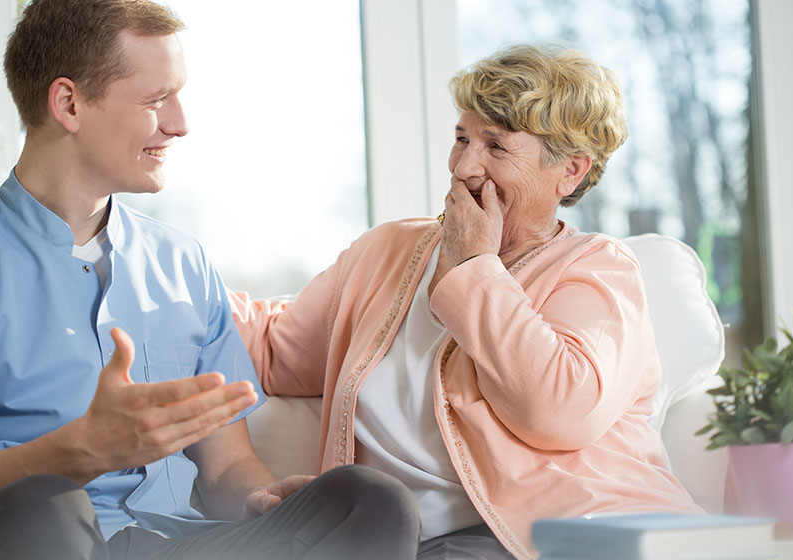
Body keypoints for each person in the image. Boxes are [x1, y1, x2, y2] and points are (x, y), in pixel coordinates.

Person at [0, 1, 419, 559]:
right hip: (40, 539)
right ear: (68, 103)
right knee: (42, 504)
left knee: (371, 502)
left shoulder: (182, 262)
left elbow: (227, 463)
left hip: (178, 545)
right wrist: (78, 452)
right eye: (157, 100)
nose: (180, 123)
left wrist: (258, 497)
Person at [230, 44, 703, 560]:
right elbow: (277, 352)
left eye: (495, 147)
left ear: (570, 171)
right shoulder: (388, 252)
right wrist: (167, 286)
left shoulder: (599, 270)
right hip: (397, 538)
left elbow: (559, 411)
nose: (464, 167)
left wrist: (476, 267)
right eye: (462, 138)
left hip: (565, 534)